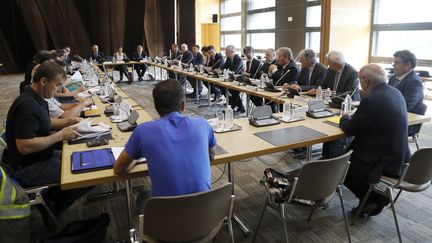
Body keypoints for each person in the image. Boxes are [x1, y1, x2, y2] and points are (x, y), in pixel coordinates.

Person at [5, 61, 91, 228]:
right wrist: (60, 135)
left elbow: (46, 124)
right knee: (85, 172)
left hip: (40, 157)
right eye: (57, 85)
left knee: (80, 158)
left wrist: (68, 122)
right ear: (44, 81)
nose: (59, 90)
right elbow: (24, 146)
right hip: (27, 167)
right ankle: (53, 205)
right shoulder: (27, 105)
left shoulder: (37, 98)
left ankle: (53, 197)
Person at [114, 79, 216, 211]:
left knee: (144, 196)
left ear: (156, 107)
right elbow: (212, 155)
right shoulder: (203, 124)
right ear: (183, 105)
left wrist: (136, 158)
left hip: (165, 224)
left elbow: (118, 169)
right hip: (205, 217)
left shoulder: (142, 131)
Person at [340, 64, 410, 216]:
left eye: (360, 80)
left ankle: (373, 199)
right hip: (400, 155)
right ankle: (374, 198)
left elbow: (351, 128)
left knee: (341, 166)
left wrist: (344, 117)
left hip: (382, 159)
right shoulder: (395, 92)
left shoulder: (372, 99)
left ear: (366, 81)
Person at [388, 50, 424, 136]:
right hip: (392, 116)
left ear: (408, 65)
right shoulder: (393, 78)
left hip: (406, 121)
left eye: (397, 62)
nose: (393, 65)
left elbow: (405, 106)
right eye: (393, 62)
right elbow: (384, 96)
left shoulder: (415, 82)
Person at [221, 45, 245, 113]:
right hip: (231, 78)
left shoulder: (238, 59)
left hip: (239, 79)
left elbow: (234, 70)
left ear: (232, 52)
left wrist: (224, 71)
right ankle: (233, 103)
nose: (225, 53)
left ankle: (232, 107)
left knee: (234, 90)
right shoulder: (228, 58)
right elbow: (225, 67)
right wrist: (220, 69)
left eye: (226, 52)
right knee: (220, 85)